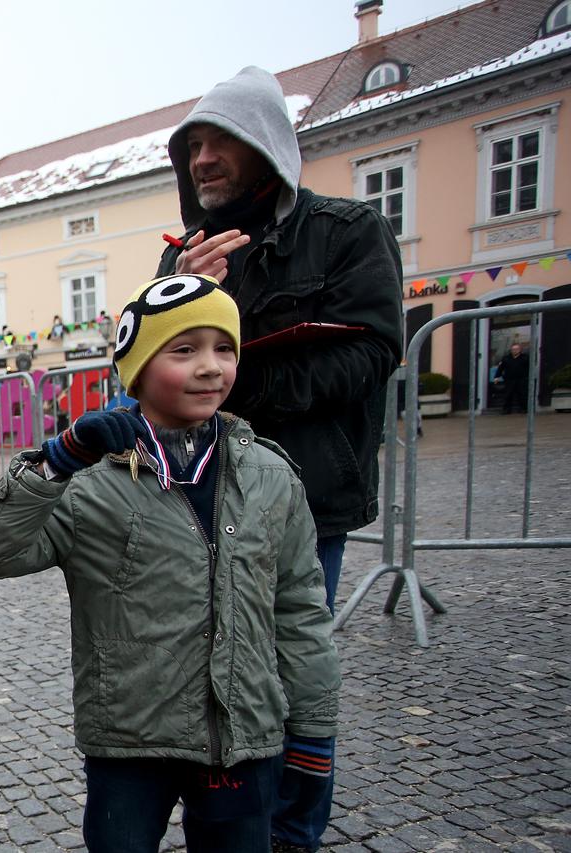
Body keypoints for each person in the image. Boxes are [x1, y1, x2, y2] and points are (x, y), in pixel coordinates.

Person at [0, 274, 340, 853]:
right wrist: (57, 462)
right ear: (136, 369)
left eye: (224, 349)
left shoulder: (270, 475)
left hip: (244, 736)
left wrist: (313, 728)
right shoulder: (90, 481)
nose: (211, 367)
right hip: (130, 741)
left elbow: (299, 611)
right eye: (184, 350)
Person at [155, 67, 402, 852]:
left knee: (295, 672)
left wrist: (234, 376)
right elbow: (144, 364)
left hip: (303, 499)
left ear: (267, 144)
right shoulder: (189, 254)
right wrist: (176, 297)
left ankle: (292, 831)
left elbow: (368, 355)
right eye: (193, 143)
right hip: (197, 498)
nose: (202, 158)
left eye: (220, 138)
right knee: (206, 669)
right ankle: (228, 821)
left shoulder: (346, 231)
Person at [493, 343, 530, 414]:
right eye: (513, 349)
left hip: (521, 379)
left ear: (520, 350)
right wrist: (496, 377)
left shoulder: (525, 358)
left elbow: (529, 368)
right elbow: (501, 368)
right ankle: (506, 410)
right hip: (509, 380)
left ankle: (524, 409)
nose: (515, 351)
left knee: (522, 394)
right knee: (508, 395)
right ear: (511, 350)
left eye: (516, 349)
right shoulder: (506, 358)